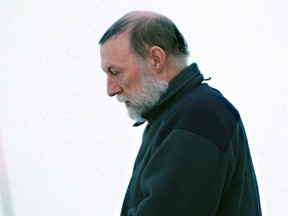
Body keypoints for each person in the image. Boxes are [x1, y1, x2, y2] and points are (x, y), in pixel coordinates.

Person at [99, 10, 262, 216]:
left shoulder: (199, 116)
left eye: (115, 72)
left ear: (156, 58)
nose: (110, 89)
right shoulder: (178, 116)